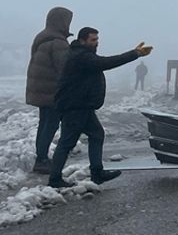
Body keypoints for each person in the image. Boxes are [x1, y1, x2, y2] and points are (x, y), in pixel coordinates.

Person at [49, 27, 152, 188]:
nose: (96, 43)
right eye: (93, 40)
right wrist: (135, 53)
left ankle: (97, 172)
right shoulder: (81, 56)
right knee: (66, 143)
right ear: (83, 40)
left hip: (83, 106)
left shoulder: (82, 54)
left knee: (97, 134)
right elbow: (106, 63)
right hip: (75, 107)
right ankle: (54, 179)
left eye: (97, 39)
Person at [25, 7, 74, 174]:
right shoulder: (58, 42)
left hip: (41, 90)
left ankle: (41, 156)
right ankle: (42, 160)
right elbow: (65, 69)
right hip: (52, 91)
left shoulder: (42, 38)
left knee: (44, 124)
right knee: (50, 125)